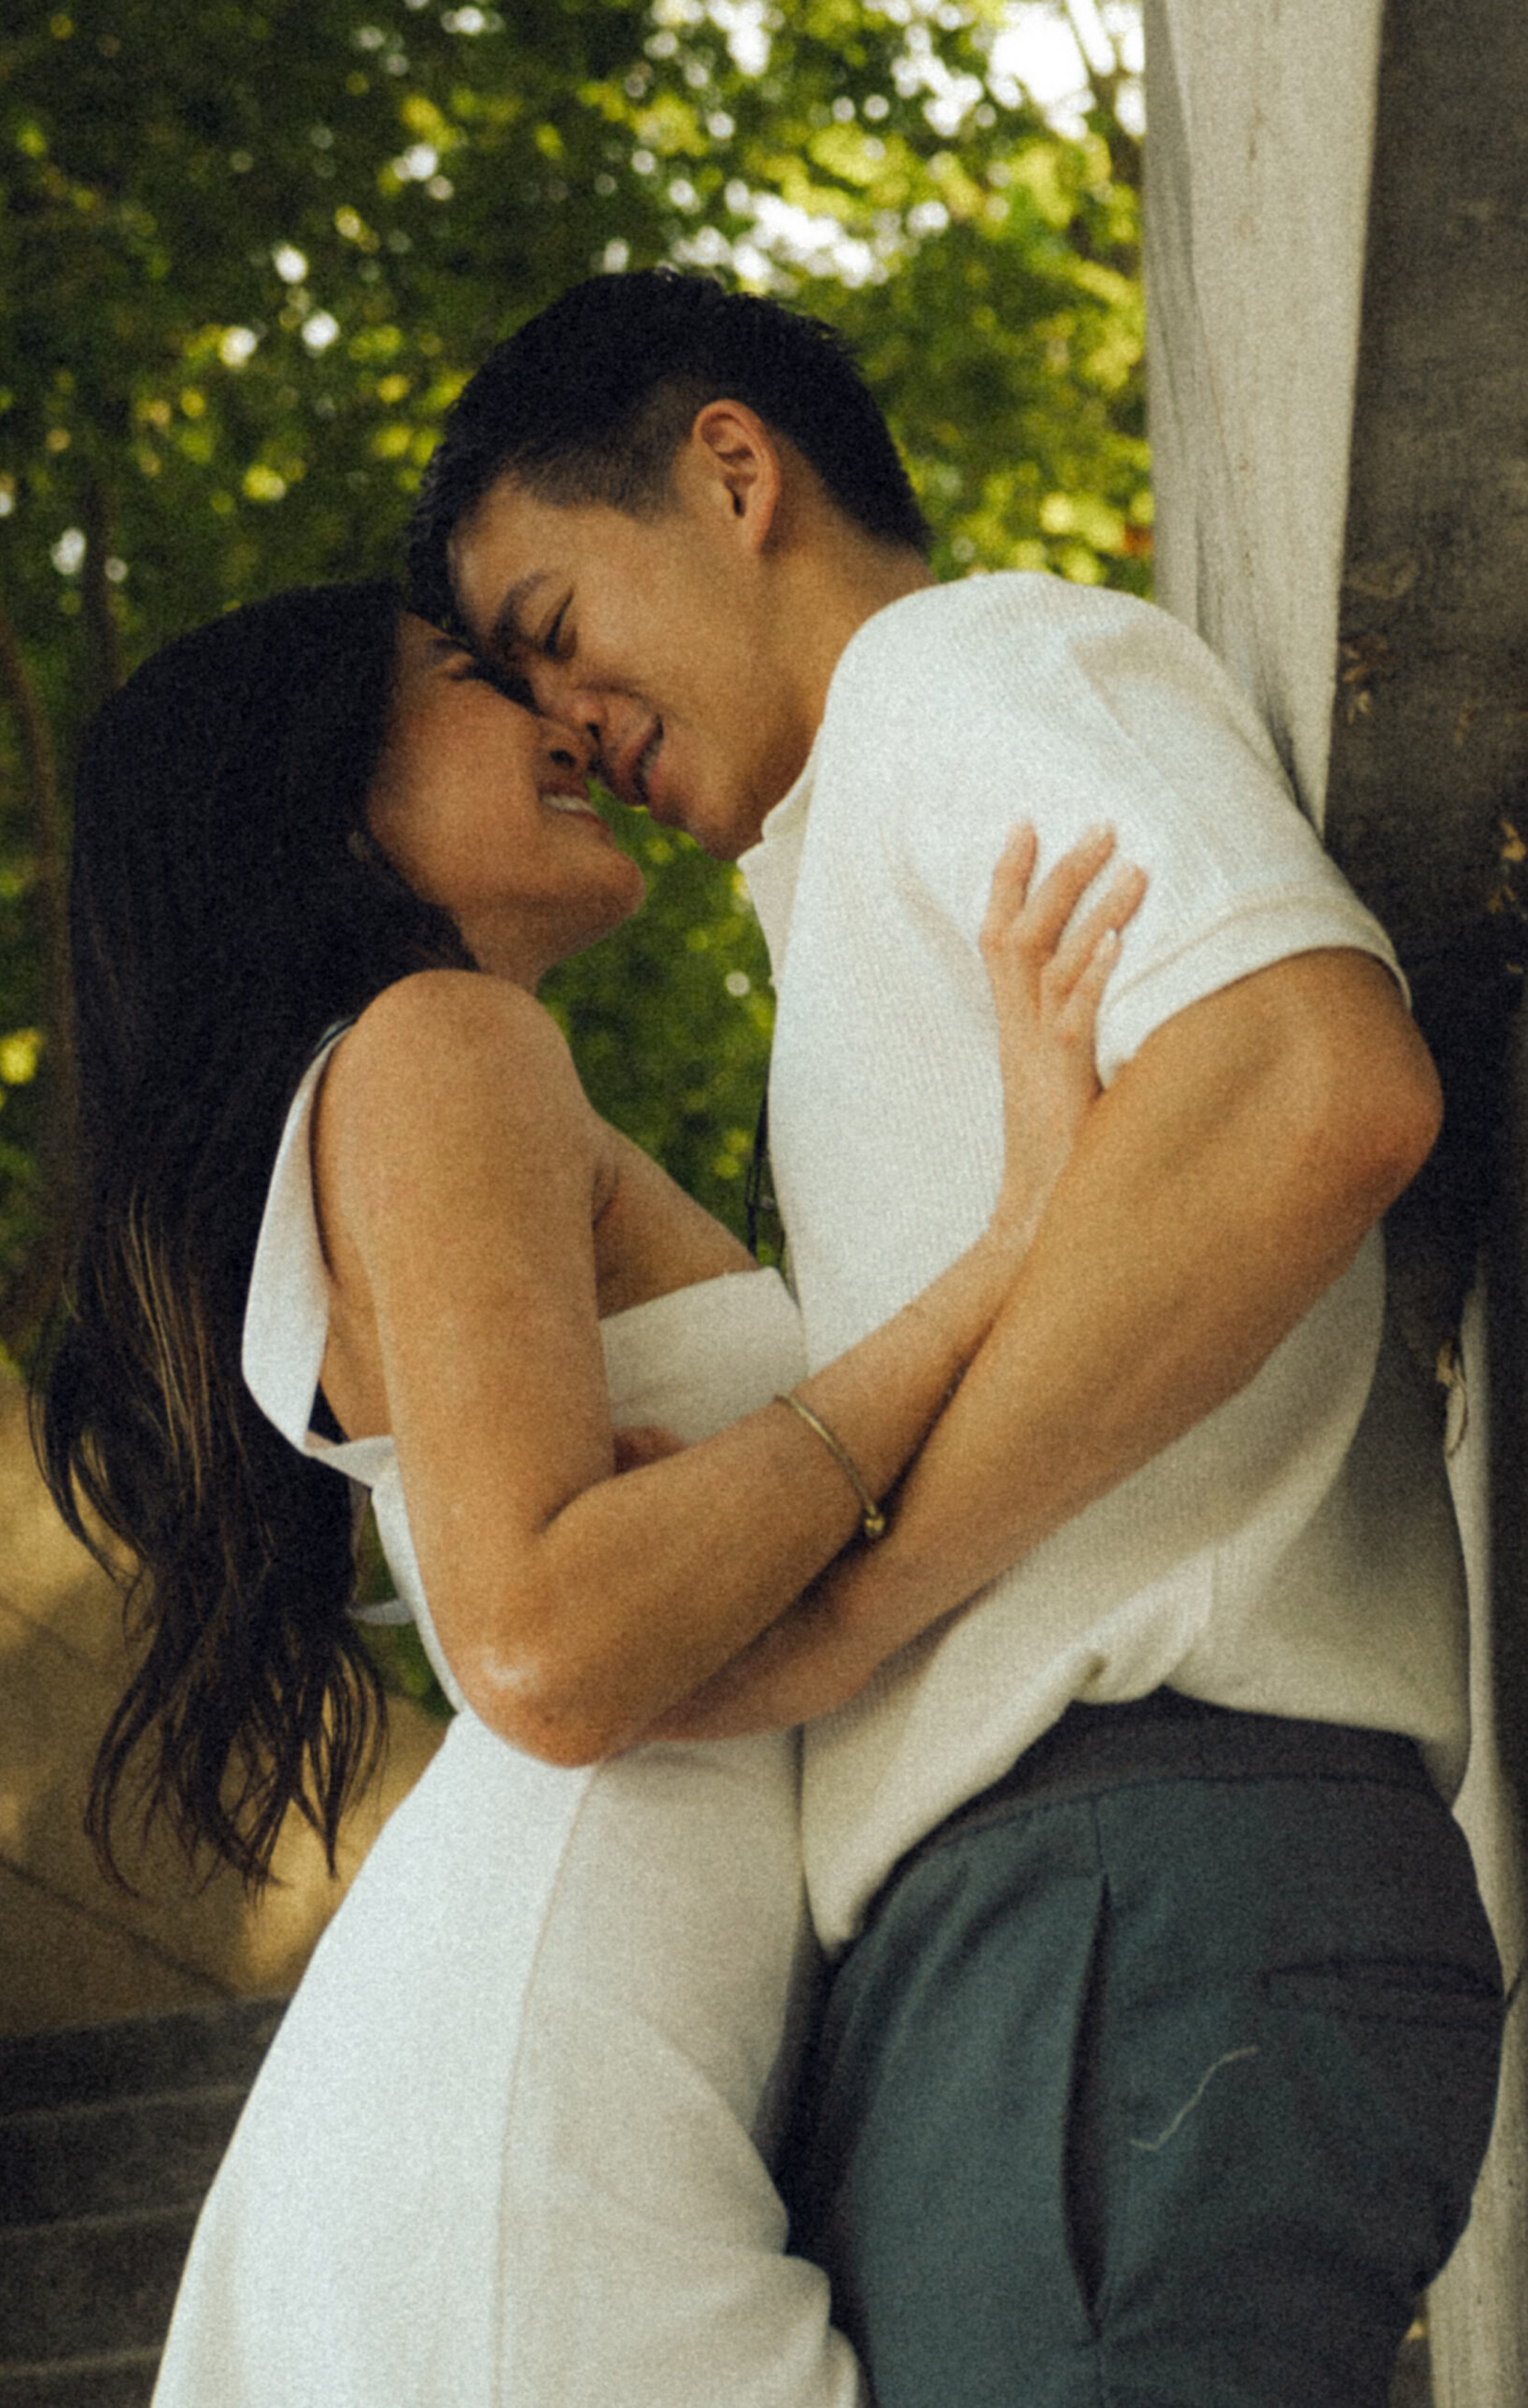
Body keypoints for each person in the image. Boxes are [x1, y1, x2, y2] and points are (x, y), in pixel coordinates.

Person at [410, 268, 1506, 2408]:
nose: (568, 726)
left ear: (735, 472)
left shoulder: (965, 667)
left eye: (556, 626)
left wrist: (869, 1595)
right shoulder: (845, 862)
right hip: (1066, 1930)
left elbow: (1315, 1083)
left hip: (1130, 1880)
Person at [36, 578, 1145, 2405]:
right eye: (480, 678)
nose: (563, 717)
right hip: (531, 2126)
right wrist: (1013, 1240)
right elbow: (547, 1639)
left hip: (512, 2088)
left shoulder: (400, 1082)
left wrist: (710, 1516)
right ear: (333, 800)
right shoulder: (436, 1045)